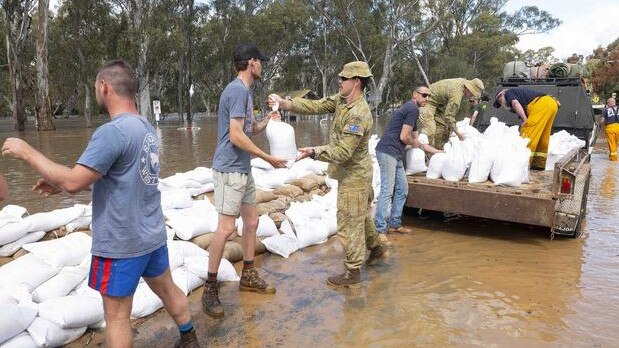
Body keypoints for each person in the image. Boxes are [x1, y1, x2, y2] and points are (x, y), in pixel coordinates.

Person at [1, 60, 199, 347]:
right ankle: (189, 338)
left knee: (117, 316)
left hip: (121, 243)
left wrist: (28, 152)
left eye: (96, 86)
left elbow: (73, 182)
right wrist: (62, 184)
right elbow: (120, 174)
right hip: (151, 235)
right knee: (168, 290)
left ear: (105, 87)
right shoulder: (143, 126)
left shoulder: (111, 132)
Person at [269, 61, 388, 288]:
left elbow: (343, 152)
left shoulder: (359, 114)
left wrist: (313, 152)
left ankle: (352, 273)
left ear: (356, 82)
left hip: (356, 176)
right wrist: (286, 104)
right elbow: (316, 106)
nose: (339, 81)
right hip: (350, 174)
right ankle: (377, 247)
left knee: (348, 222)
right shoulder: (341, 101)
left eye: (344, 79)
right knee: (360, 215)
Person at [202, 43, 287, 318]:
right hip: (229, 169)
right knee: (226, 229)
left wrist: (267, 120)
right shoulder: (237, 91)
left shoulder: (244, 93)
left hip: (242, 168)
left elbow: (248, 129)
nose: (262, 65)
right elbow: (236, 136)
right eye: (260, 61)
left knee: (251, 222)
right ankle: (210, 287)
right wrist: (268, 158)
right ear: (251, 62)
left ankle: (248, 275)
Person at [373, 86, 441, 246]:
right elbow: (405, 137)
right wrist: (414, 142)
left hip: (396, 154)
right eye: (424, 95)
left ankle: (395, 224)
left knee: (402, 189)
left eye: (429, 96)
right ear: (414, 94)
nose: (427, 99)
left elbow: (418, 141)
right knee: (387, 190)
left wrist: (437, 152)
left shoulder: (412, 110)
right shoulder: (412, 109)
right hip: (388, 151)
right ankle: (380, 230)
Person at [493, 86, 560, 169]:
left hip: (541, 104)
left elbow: (515, 103)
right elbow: (522, 115)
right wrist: (523, 121)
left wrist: (525, 121)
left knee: (528, 137)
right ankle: (538, 164)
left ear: (503, 93)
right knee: (542, 137)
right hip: (552, 104)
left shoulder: (508, 93)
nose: (500, 103)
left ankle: (522, 166)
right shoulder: (520, 96)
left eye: (499, 100)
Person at [417, 78, 484, 149]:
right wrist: (458, 133)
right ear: (468, 89)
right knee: (430, 128)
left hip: (438, 106)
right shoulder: (456, 95)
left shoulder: (462, 82)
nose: (471, 97)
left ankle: (436, 152)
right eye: (472, 94)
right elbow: (449, 116)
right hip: (426, 101)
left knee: (441, 129)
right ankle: (425, 153)